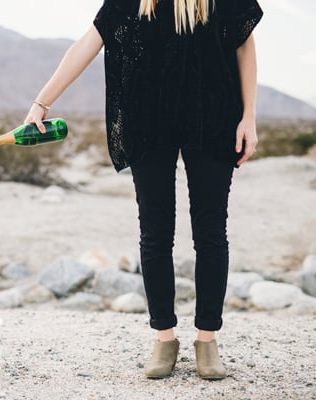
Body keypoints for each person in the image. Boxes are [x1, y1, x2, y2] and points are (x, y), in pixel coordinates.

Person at [23, 0, 263, 380]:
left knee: (211, 232)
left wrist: (249, 116)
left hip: (214, 115)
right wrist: (42, 101)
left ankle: (207, 339)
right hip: (150, 119)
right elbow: (90, 40)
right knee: (155, 233)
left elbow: (244, 43)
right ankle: (164, 338)